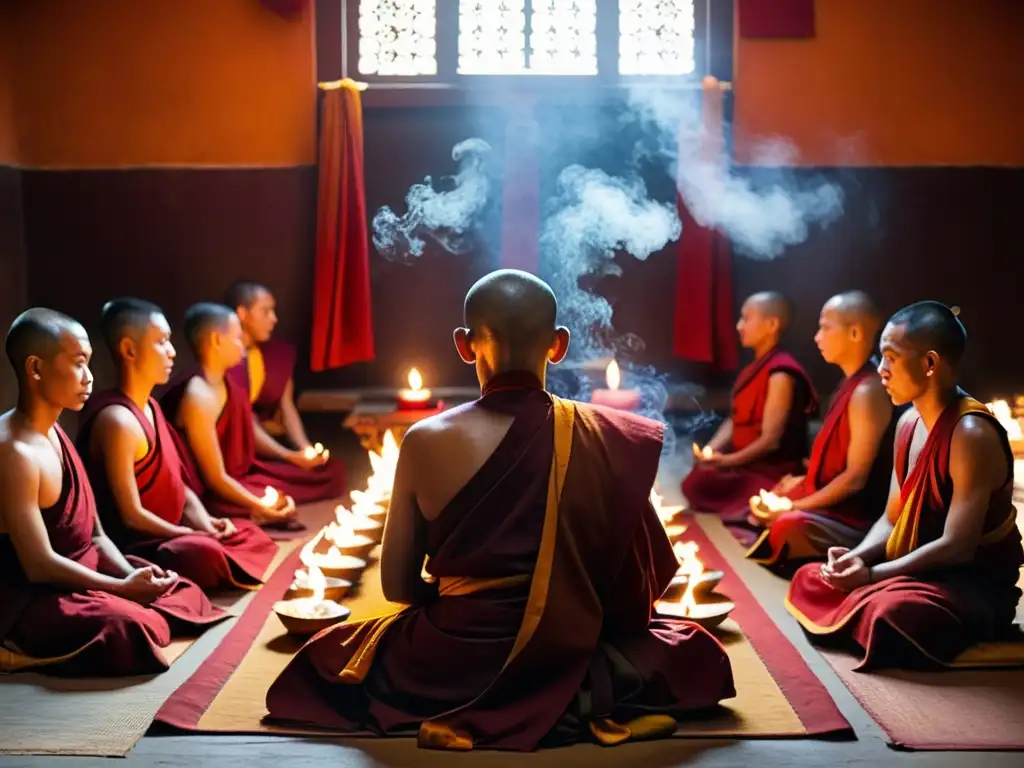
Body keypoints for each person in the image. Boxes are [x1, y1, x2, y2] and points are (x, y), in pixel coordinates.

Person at [264, 269, 734, 751]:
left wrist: (477, 617)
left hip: (449, 659)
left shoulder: (425, 440)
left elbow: (397, 586)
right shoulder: (602, 435)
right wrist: (564, 612)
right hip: (573, 650)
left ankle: (482, 700)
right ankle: (582, 696)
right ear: (558, 345)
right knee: (699, 656)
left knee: (323, 663)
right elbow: (641, 587)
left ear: (464, 345)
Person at [786, 302, 1023, 670]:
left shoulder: (970, 433)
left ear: (929, 364)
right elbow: (892, 517)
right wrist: (857, 558)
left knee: (891, 613)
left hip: (969, 585)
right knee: (812, 578)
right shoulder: (908, 422)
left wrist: (872, 576)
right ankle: (870, 607)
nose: (880, 370)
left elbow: (957, 546)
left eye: (890, 358)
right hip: (918, 573)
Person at [0, 309, 225, 676]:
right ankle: (13, 649)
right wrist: (122, 589)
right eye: (77, 364)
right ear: (36, 369)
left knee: (179, 592)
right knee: (129, 629)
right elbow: (38, 565)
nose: (89, 378)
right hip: (33, 597)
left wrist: (133, 579)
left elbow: (96, 535)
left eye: (89, 363)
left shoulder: (56, 433)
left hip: (84, 576)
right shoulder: (14, 452)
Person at [77, 299, 278, 591]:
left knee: (243, 533)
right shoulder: (117, 420)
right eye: (161, 342)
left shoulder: (153, 409)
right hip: (142, 544)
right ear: (129, 350)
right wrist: (186, 531)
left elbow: (178, 485)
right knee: (204, 555)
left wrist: (207, 523)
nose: (172, 352)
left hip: (173, 532)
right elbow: (131, 515)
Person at [746, 292, 897, 574]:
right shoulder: (850, 382)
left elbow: (855, 479)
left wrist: (793, 506)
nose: (817, 337)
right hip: (836, 504)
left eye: (825, 327)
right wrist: (801, 483)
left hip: (857, 516)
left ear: (855, 332)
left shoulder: (867, 390)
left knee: (786, 525)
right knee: (774, 494)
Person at [160, 303, 344, 530]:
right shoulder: (198, 396)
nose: (244, 347)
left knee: (327, 473)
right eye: (238, 338)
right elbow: (215, 479)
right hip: (211, 491)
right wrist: (258, 505)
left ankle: (260, 507)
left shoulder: (227, 383)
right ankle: (256, 511)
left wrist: (291, 457)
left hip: (239, 476)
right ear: (216, 341)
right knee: (279, 502)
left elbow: (247, 428)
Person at [682, 291, 818, 518]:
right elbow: (735, 419)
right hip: (744, 463)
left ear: (771, 324)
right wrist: (712, 451)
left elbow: (771, 441)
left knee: (701, 483)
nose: (739, 326)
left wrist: (726, 462)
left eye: (746, 318)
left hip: (772, 469)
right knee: (697, 477)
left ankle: (763, 506)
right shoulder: (752, 369)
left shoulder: (780, 374)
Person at [224, 280, 311, 450]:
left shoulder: (276, 356)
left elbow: (287, 407)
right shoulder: (223, 359)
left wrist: (305, 448)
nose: (274, 319)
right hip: (236, 449)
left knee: (330, 469)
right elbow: (242, 419)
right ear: (243, 314)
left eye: (273, 311)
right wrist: (288, 456)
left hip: (271, 443)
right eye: (265, 312)